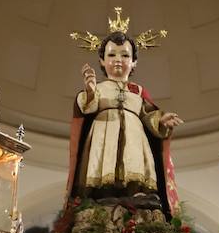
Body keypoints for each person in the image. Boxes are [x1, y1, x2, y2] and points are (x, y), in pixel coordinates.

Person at [66, 30, 183, 216]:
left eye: (125, 55)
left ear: (134, 62)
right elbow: (86, 107)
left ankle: (136, 193)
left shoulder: (138, 92)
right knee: (103, 163)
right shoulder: (99, 88)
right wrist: (89, 91)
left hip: (134, 137)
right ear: (102, 61)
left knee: (135, 163)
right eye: (111, 55)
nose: (118, 59)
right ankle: (103, 193)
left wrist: (161, 120)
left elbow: (148, 115)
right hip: (104, 132)